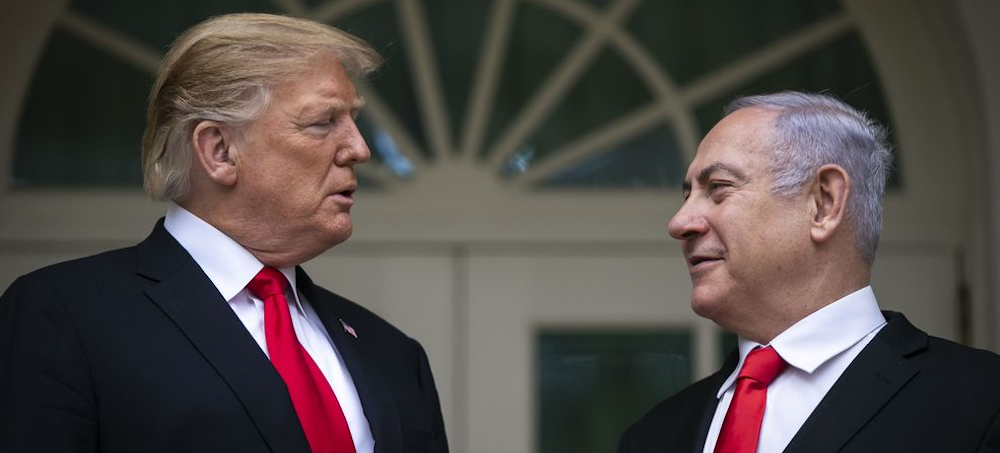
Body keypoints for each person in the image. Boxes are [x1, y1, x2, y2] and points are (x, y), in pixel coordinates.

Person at [0, 13, 448, 453]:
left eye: (352, 121)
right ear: (219, 151)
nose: (360, 149)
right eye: (323, 122)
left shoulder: (392, 353)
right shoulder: (63, 318)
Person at [618, 92, 1000, 453]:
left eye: (718, 188)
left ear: (824, 204)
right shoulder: (653, 435)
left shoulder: (982, 402)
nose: (679, 222)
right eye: (687, 196)